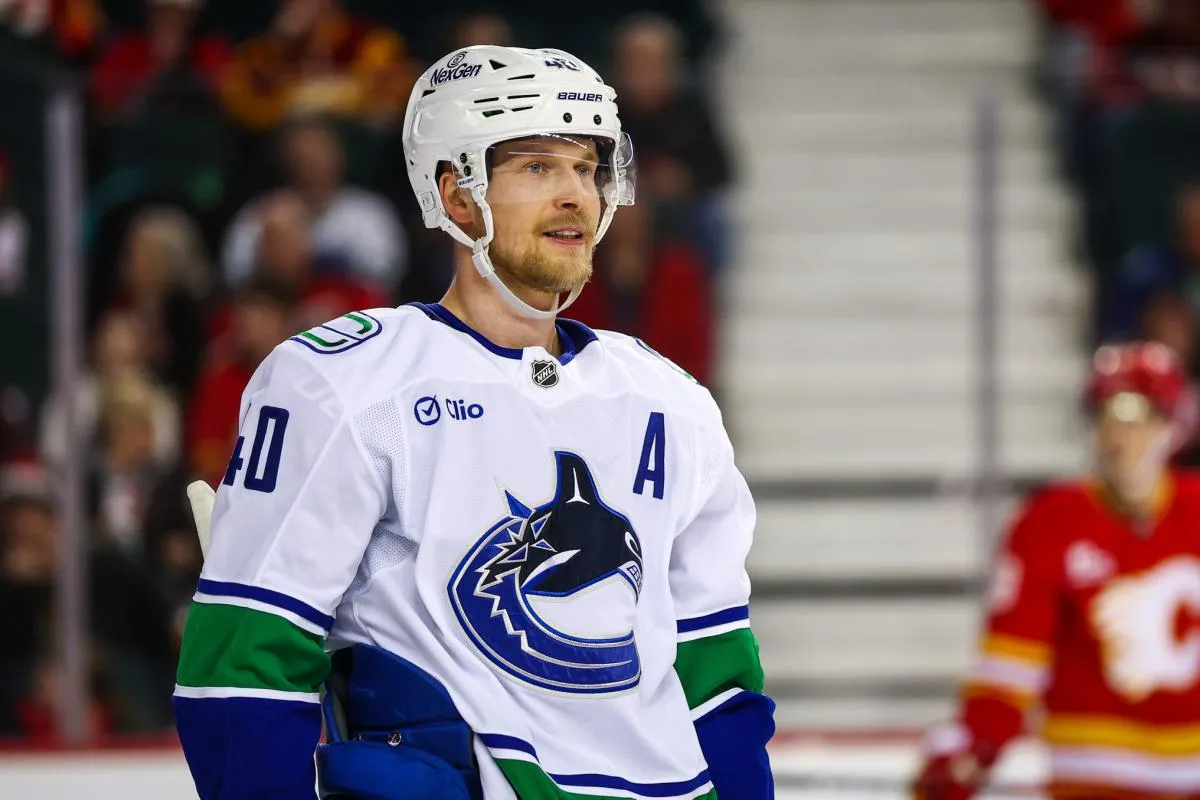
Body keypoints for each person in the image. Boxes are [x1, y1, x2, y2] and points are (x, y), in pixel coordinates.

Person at [173, 45, 774, 799]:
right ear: (458, 198)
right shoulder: (344, 384)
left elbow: (718, 683)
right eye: (536, 168)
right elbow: (244, 670)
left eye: (587, 168)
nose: (574, 196)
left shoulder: (670, 402)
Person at [911, 341, 1200, 800]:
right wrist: (974, 746)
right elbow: (1010, 667)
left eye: (1137, 419)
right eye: (1104, 417)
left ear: (1172, 427)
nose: (1119, 438)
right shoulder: (1049, 523)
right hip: (1093, 788)